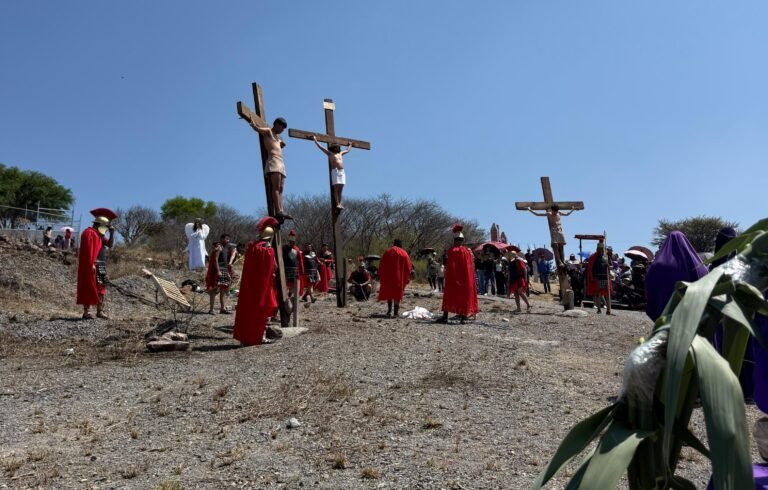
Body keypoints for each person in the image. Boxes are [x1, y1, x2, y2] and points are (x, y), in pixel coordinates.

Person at [233, 217, 279, 346]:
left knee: (247, 310)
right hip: (261, 286)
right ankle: (258, 337)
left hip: (249, 285)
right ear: (270, 236)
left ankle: (245, 338)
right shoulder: (266, 250)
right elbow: (272, 268)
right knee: (260, 310)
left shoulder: (252, 247)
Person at [644, 231, 708, 322]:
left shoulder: (657, 265)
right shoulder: (696, 264)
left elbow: (649, 284)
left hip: (663, 315)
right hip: (690, 318)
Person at [76, 208, 117, 319]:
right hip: (92, 265)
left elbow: (109, 244)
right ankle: (87, 312)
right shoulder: (88, 233)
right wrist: (92, 264)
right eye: (105, 226)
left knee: (101, 288)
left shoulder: (100, 236)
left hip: (101, 265)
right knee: (89, 287)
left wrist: (112, 233)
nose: (106, 229)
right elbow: (88, 251)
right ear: (99, 225)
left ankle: (100, 311)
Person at [249, 117, 292, 221]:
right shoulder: (269, 131)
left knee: (281, 189)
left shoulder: (278, 138)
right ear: (277, 125)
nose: (282, 130)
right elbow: (257, 128)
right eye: (282, 127)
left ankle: (281, 209)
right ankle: (278, 210)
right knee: (276, 187)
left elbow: (281, 145)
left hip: (281, 162)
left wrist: (282, 143)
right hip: (273, 161)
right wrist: (252, 123)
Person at [437, 224, 479, 324]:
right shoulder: (467, 252)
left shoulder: (452, 251)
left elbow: (450, 266)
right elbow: (470, 267)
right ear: (462, 240)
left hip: (453, 278)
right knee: (464, 296)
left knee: (449, 295)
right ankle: (463, 317)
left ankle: (445, 316)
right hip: (465, 279)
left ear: (455, 240)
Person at [312, 136, 352, 210]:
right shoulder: (330, 153)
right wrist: (315, 140)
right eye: (336, 147)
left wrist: (350, 145)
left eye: (338, 147)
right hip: (335, 171)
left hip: (342, 172)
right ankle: (337, 204)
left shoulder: (340, 153)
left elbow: (347, 150)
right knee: (336, 188)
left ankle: (340, 203)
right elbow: (321, 147)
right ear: (333, 148)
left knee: (341, 189)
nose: (337, 148)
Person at [378, 239, 413, 318]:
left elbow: (382, 265)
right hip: (399, 278)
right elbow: (408, 267)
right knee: (397, 294)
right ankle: (395, 313)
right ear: (401, 245)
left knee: (389, 293)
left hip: (389, 278)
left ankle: (389, 311)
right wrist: (407, 278)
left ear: (394, 244)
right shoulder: (404, 253)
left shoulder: (388, 252)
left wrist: (382, 276)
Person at [206, 234, 235, 314]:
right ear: (222, 239)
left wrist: (227, 272)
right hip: (218, 271)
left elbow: (225, 261)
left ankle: (222, 308)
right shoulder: (219, 247)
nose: (228, 240)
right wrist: (218, 270)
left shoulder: (226, 248)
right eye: (226, 239)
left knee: (223, 290)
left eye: (228, 239)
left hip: (224, 270)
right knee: (214, 289)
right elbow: (215, 260)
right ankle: (211, 309)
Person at [586, 241, 613, 314]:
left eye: (602, 249)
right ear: (597, 249)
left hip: (605, 277)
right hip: (597, 277)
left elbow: (608, 266)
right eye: (600, 249)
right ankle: (599, 309)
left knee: (607, 294)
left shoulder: (605, 257)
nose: (601, 250)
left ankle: (608, 310)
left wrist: (608, 267)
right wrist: (591, 276)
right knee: (598, 293)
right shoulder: (593, 257)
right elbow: (590, 268)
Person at [282, 230, 305, 299]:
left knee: (293, 284)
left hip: (295, 269)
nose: (292, 243)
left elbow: (300, 259)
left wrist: (302, 269)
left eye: (293, 242)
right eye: (291, 242)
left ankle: (291, 296)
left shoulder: (297, 249)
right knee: (285, 284)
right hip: (286, 269)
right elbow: (281, 258)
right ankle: (285, 297)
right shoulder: (284, 248)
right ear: (289, 241)